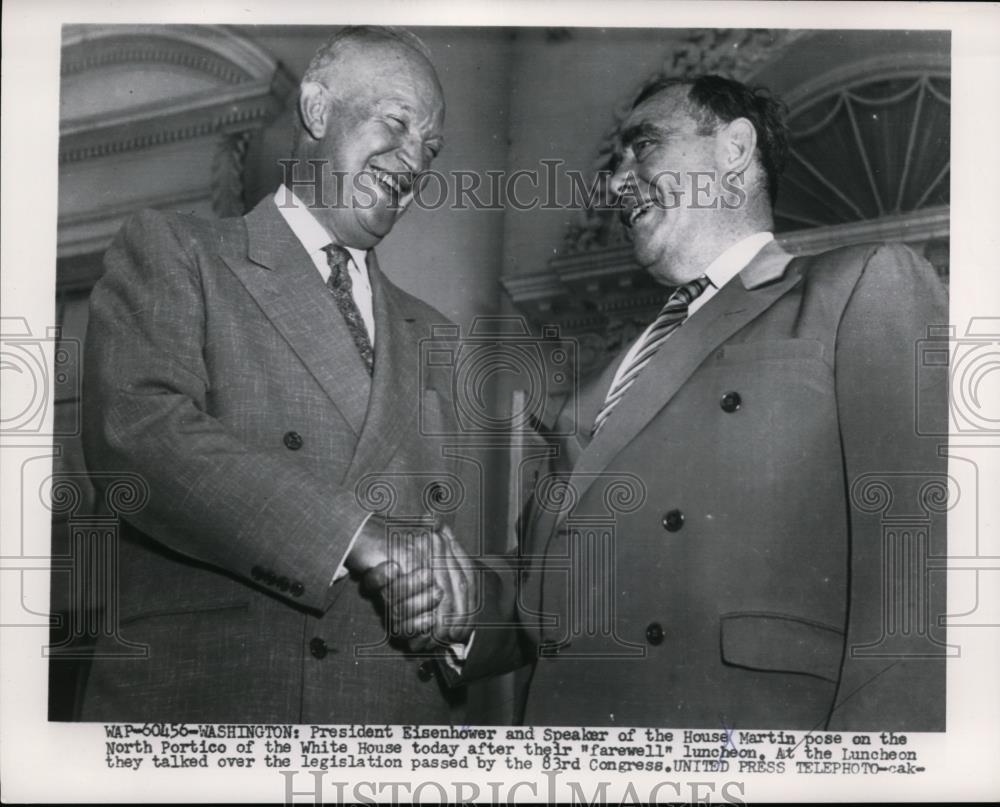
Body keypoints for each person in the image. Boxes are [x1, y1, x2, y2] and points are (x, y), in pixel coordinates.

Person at [376, 74, 949, 730]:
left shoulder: (859, 286)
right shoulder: (600, 382)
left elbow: (920, 572)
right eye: (614, 163)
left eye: (642, 146)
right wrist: (465, 602)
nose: (617, 182)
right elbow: (553, 589)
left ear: (735, 148)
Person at [80, 26, 476, 724]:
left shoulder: (438, 333)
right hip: (217, 709)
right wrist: (357, 537)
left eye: (432, 147)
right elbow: (137, 434)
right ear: (319, 111)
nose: (414, 159)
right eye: (396, 122)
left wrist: (459, 605)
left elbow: (472, 552)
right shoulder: (178, 251)